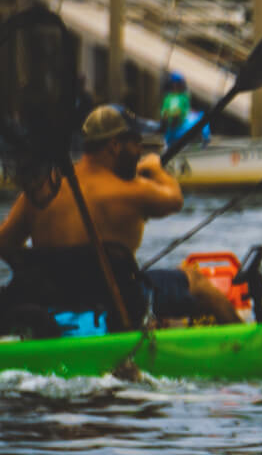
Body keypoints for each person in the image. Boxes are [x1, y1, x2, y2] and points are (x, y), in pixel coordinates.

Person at [0, 105, 240, 325]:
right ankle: (251, 345)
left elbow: (5, 245)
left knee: (154, 288)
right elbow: (174, 199)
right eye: (136, 142)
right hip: (120, 302)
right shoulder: (133, 190)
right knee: (195, 281)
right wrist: (156, 169)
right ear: (114, 145)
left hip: (51, 303)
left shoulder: (39, 194)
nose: (140, 150)